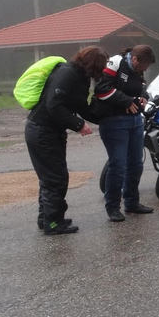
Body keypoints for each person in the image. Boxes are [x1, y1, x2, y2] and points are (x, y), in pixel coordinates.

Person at [26, 46, 107, 235]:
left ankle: (46, 218)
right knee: (55, 178)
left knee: (51, 177)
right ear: (92, 65)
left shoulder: (81, 77)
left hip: (51, 131)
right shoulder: (67, 73)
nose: (101, 72)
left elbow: (82, 106)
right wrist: (78, 124)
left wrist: (104, 116)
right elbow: (53, 105)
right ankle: (53, 223)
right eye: (100, 67)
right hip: (41, 130)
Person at [92, 44, 157, 222]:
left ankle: (132, 203)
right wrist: (127, 101)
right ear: (134, 59)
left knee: (136, 164)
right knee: (118, 165)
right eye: (143, 66)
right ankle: (112, 207)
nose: (145, 69)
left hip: (135, 121)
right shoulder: (115, 63)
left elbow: (140, 87)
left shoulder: (138, 69)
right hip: (114, 121)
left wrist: (144, 97)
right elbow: (101, 89)